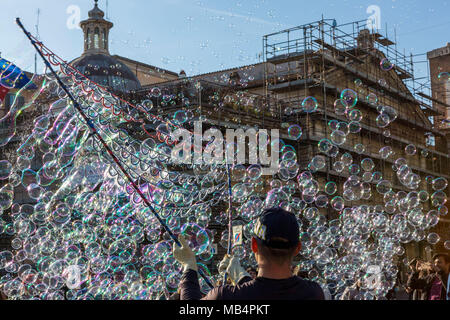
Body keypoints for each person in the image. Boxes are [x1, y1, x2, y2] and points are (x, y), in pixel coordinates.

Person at [173, 207, 325, 300]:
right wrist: (241, 276)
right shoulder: (313, 293)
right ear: (298, 248)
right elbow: (268, 292)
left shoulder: (225, 296)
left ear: (253, 245)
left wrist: (189, 265)